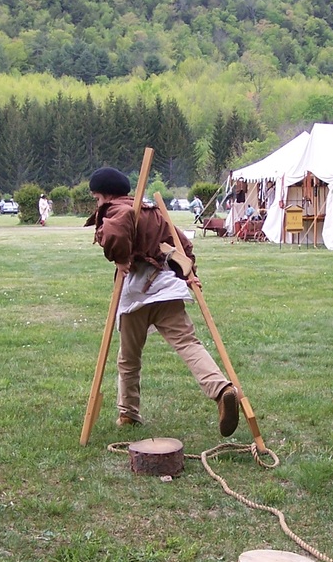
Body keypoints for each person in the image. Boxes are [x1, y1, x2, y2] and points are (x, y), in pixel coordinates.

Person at [85, 166, 239, 436]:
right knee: (189, 345)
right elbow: (182, 245)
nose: (98, 204)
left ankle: (128, 413)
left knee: (129, 358)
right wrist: (191, 273)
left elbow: (114, 234)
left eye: (97, 199)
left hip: (136, 294)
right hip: (168, 288)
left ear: (106, 195)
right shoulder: (154, 211)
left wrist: (120, 256)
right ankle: (221, 390)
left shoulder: (117, 209)